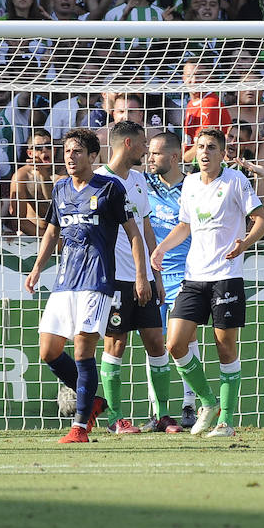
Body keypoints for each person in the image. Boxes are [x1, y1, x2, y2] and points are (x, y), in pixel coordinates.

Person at [24, 128, 151, 444]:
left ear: (93, 156)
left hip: (97, 281)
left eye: (77, 151)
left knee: (83, 350)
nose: (70, 156)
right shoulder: (60, 189)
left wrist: (140, 275)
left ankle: (80, 426)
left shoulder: (110, 188)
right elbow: (52, 232)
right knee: (48, 351)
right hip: (65, 281)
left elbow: (134, 234)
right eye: (67, 151)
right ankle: (92, 400)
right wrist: (37, 268)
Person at [151, 127, 264, 438]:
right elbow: (185, 225)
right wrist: (162, 248)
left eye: (211, 147)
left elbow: (262, 220)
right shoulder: (189, 183)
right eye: (200, 146)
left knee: (224, 348)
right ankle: (208, 403)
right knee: (175, 343)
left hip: (226, 278)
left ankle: (226, 421)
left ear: (222, 153)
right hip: (194, 277)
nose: (204, 152)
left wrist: (243, 244)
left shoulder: (235, 181)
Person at [96, 120, 168, 434]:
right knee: (115, 344)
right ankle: (115, 419)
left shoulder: (138, 180)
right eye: (142, 144)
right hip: (113, 279)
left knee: (156, 341)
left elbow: (146, 228)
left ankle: (161, 415)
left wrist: (156, 275)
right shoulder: (98, 180)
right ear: (128, 144)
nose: (146, 150)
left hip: (144, 277)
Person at [145, 131, 195, 431]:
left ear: (175, 157)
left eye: (157, 153)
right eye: (149, 152)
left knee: (185, 340)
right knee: (155, 344)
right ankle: (158, 411)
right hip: (153, 276)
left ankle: (190, 404)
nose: (150, 158)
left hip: (185, 274)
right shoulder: (142, 184)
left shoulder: (192, 186)